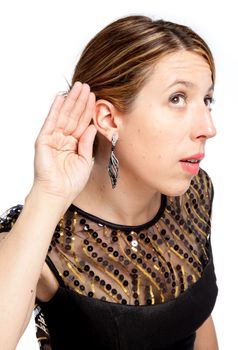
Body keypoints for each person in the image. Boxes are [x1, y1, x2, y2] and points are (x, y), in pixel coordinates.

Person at [0, 15, 219, 350]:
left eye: (207, 100)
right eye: (177, 98)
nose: (208, 127)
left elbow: (195, 317)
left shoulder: (194, 194)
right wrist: (48, 194)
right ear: (108, 118)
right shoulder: (44, 237)